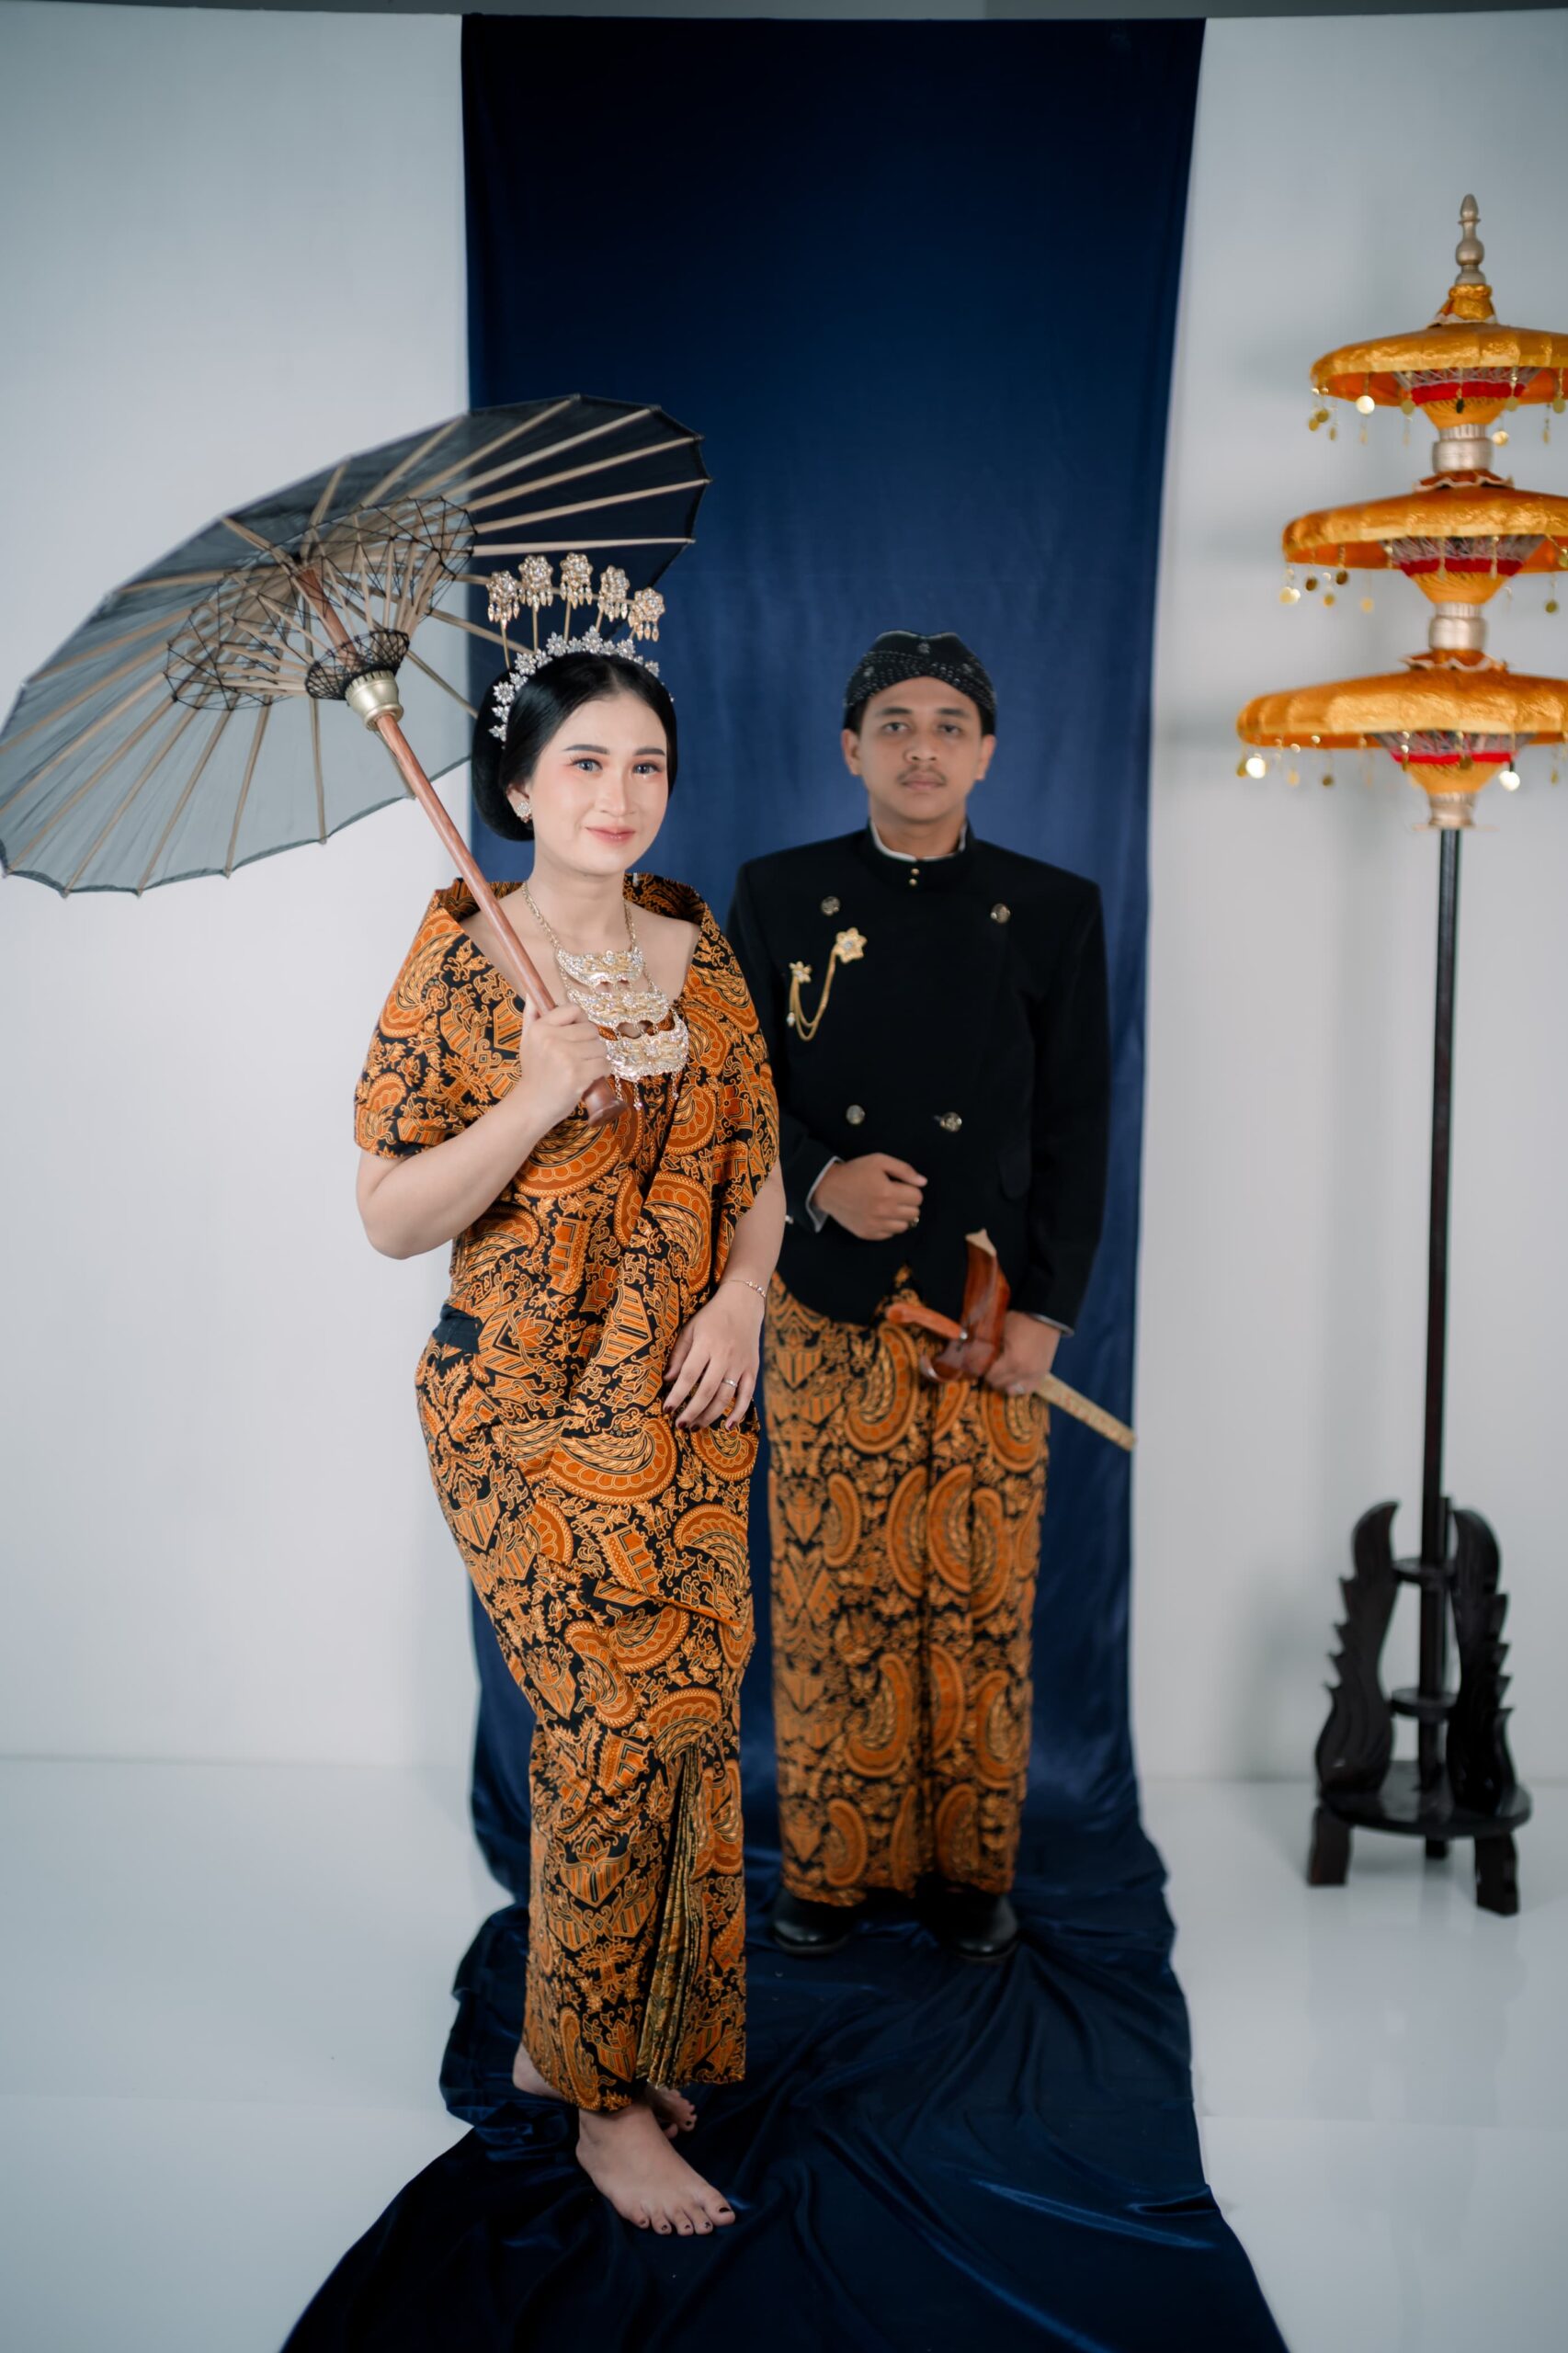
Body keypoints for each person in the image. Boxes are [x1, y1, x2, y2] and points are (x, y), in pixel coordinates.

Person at [354, 587, 782, 2235]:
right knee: (605, 1731)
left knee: (683, 1724)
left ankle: (580, 2041)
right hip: (521, 1409)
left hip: (689, 1395)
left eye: (645, 763)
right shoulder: (462, 966)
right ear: (520, 785)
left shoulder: (697, 945)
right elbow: (390, 1216)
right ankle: (605, 2117)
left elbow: (759, 1171)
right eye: (584, 763)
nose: (618, 794)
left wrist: (741, 1299)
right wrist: (534, 1095)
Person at [727, 630, 1109, 1964]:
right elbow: (732, 1091)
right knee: (833, 1596)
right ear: (852, 748)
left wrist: (1048, 1311)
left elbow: (1076, 1126)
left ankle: (967, 1868)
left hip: (985, 1312)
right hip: (829, 1301)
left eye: (950, 724)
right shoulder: (779, 894)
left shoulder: (1052, 908)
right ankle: (831, 1869)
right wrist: (820, 1180)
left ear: (987, 752)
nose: (922, 747)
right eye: (894, 723)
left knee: (978, 1599)